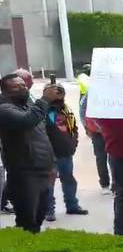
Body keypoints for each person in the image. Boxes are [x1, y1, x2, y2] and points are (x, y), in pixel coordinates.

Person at [0, 74, 59, 233]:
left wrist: (52, 165)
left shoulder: (29, 106)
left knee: (40, 216)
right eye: (16, 87)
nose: (22, 89)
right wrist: (45, 99)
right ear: (5, 91)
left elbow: (43, 136)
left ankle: (33, 247)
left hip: (42, 170)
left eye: (23, 85)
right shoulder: (4, 110)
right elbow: (26, 121)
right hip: (24, 173)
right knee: (27, 220)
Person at [44, 82, 88, 221]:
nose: (58, 95)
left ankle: (72, 205)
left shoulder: (66, 110)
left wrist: (73, 143)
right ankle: (49, 210)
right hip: (48, 154)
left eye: (60, 92)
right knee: (48, 183)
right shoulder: (42, 111)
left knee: (68, 179)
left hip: (65, 153)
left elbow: (73, 128)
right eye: (55, 92)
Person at [77, 64, 111, 193]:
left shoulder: (114, 92)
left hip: (112, 131)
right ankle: (105, 184)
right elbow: (82, 110)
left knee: (114, 158)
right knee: (101, 158)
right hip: (97, 132)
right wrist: (86, 127)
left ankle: (116, 184)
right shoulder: (91, 92)